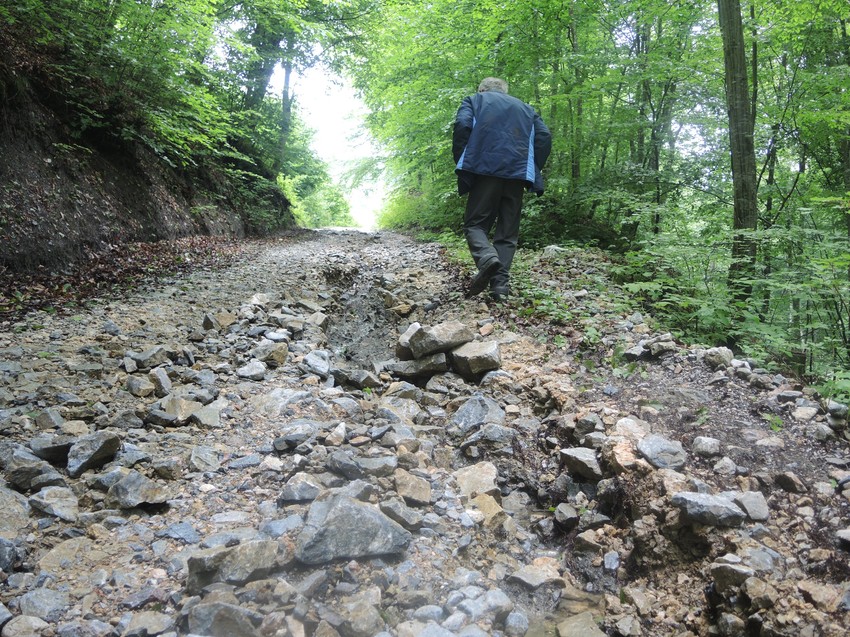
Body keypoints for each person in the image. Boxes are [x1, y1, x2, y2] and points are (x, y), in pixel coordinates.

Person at [452, 77, 551, 301]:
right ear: (505, 92)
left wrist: (464, 161)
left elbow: (462, 125)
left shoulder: (474, 100)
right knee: (507, 232)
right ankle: (500, 288)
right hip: (517, 173)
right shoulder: (526, 109)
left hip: (484, 168)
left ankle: (486, 257)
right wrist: (533, 167)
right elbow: (544, 136)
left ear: (482, 89)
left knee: (475, 224)